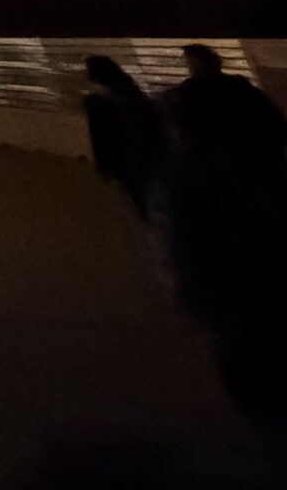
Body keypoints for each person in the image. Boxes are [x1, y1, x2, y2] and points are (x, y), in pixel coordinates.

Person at [160, 45, 287, 449]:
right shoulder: (247, 112)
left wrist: (193, 301)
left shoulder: (192, 173)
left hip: (233, 303)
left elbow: (189, 243)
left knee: (258, 389)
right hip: (267, 279)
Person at [81, 54, 164, 218]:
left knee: (140, 200)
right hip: (143, 157)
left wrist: (106, 166)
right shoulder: (129, 93)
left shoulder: (99, 102)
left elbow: (102, 138)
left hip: (128, 159)